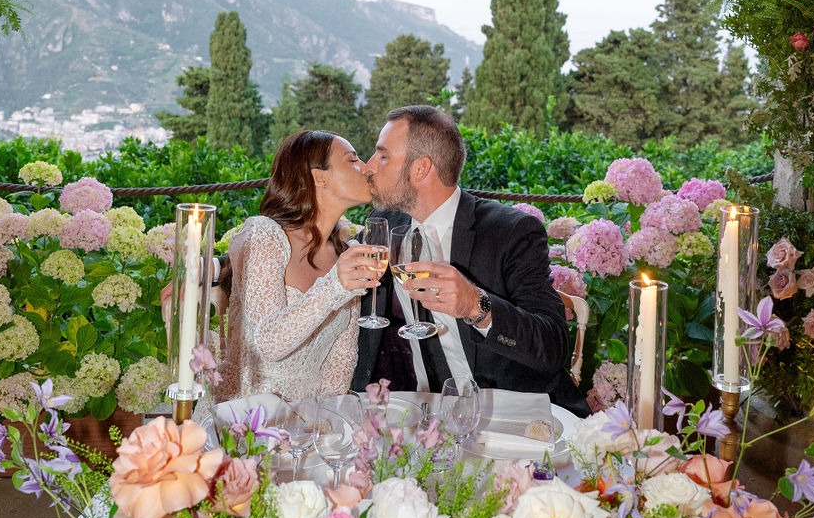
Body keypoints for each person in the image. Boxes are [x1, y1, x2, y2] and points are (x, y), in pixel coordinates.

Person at [353, 105, 586, 415]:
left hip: (513, 415)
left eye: (383, 156)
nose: (369, 166)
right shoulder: (386, 226)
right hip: (432, 416)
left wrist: (476, 306)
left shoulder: (510, 232)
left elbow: (553, 345)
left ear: (421, 169)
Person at [214, 130, 383, 405]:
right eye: (353, 160)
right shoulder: (265, 237)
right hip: (242, 424)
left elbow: (339, 368)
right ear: (319, 177)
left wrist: (324, 431)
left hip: (303, 429)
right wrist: (335, 287)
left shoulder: (345, 252)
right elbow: (268, 343)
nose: (365, 168)